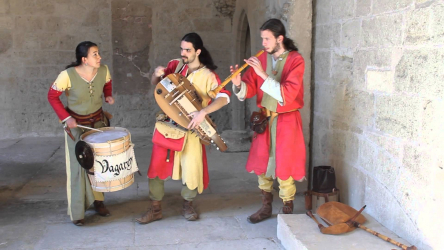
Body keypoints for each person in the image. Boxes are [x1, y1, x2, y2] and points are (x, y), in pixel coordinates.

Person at [136, 33, 231, 224]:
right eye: (181, 49)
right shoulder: (175, 65)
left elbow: (224, 97)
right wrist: (155, 75)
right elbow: (158, 87)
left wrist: (203, 112)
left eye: (187, 50)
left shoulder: (209, 75)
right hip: (168, 127)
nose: (183, 53)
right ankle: (155, 209)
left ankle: (188, 204)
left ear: (198, 51)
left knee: (192, 170)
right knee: (156, 168)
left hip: (191, 130)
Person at [230, 19, 306, 223]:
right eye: (262, 38)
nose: (263, 43)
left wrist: (262, 73)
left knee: (284, 164)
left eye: (267, 39)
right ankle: (265, 207)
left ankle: (287, 209)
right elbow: (250, 86)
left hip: (287, 120)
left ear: (280, 38)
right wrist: (238, 84)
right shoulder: (262, 58)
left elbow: (288, 93)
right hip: (265, 119)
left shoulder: (295, 60)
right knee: (263, 162)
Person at [47, 41, 114, 226]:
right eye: (95, 54)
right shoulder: (66, 75)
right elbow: (52, 96)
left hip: (98, 123)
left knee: (98, 165)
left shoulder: (103, 70)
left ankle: (99, 202)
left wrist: (108, 95)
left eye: (98, 53)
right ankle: (77, 212)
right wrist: (66, 118)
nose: (99, 57)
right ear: (84, 59)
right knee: (78, 168)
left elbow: (107, 83)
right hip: (76, 127)